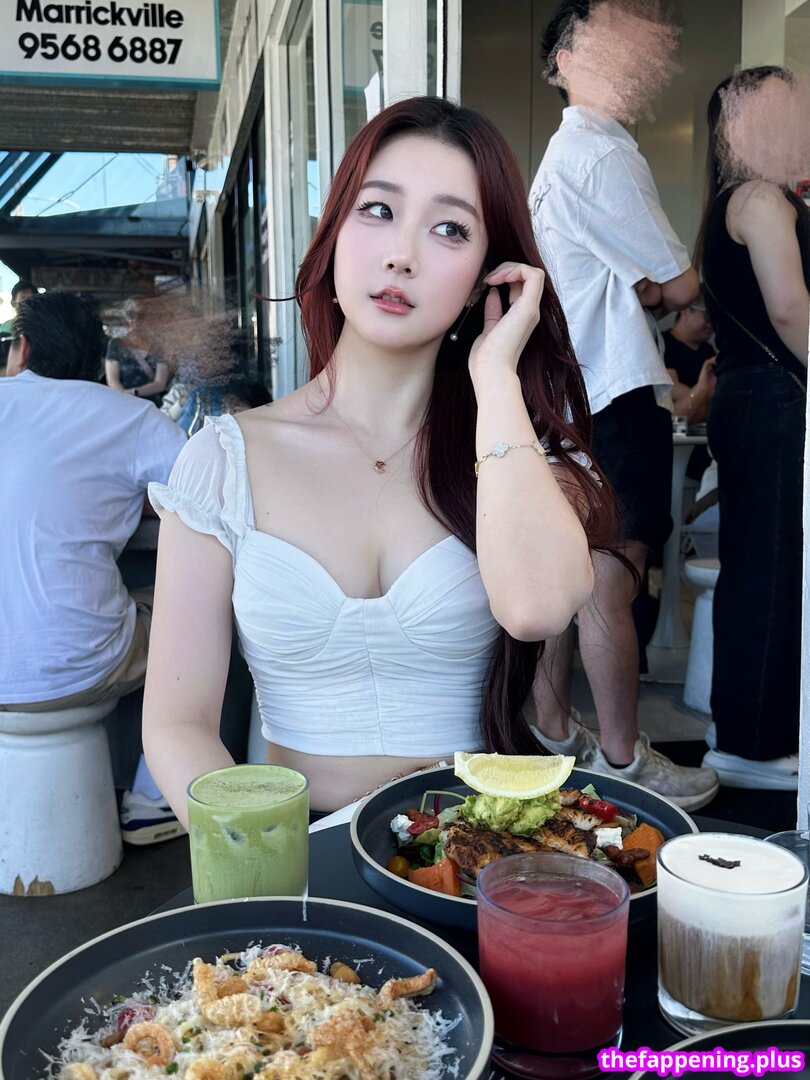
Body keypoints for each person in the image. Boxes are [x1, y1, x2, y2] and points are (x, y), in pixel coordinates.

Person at [142, 95, 620, 822]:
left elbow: (536, 610)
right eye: (378, 210)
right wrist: (260, 860)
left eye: (450, 229)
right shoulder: (223, 461)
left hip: (472, 854)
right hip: (288, 853)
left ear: (486, 278)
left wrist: (496, 378)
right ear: (335, 230)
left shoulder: (516, 459)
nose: (403, 254)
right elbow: (178, 724)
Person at [526, 0, 719, 810]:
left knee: (567, 571)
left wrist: (649, 288)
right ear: (563, 63)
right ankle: (623, 757)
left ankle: (551, 725)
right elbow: (677, 283)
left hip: (571, 393)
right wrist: (668, 287)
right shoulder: (602, 152)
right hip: (611, 392)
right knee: (614, 575)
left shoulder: (562, 157)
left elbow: (639, 284)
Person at [0, 291, 188, 842]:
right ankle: (156, 796)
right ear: (94, 355)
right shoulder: (128, 418)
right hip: (78, 669)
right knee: (204, 606)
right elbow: (211, 493)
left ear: (22, 348)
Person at [696, 67, 809, 790]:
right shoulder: (761, 198)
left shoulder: (728, 201)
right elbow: (791, 307)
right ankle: (753, 745)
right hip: (774, 396)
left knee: (755, 565)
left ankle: (741, 728)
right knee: (770, 569)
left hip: (750, 395)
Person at [105, 301, 170, 405]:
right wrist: (125, 399)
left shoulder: (159, 345)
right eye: (131, 314)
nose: (136, 319)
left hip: (152, 405)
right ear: (126, 318)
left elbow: (160, 383)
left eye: (141, 315)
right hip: (124, 403)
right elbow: (112, 381)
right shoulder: (116, 344)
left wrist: (132, 393)